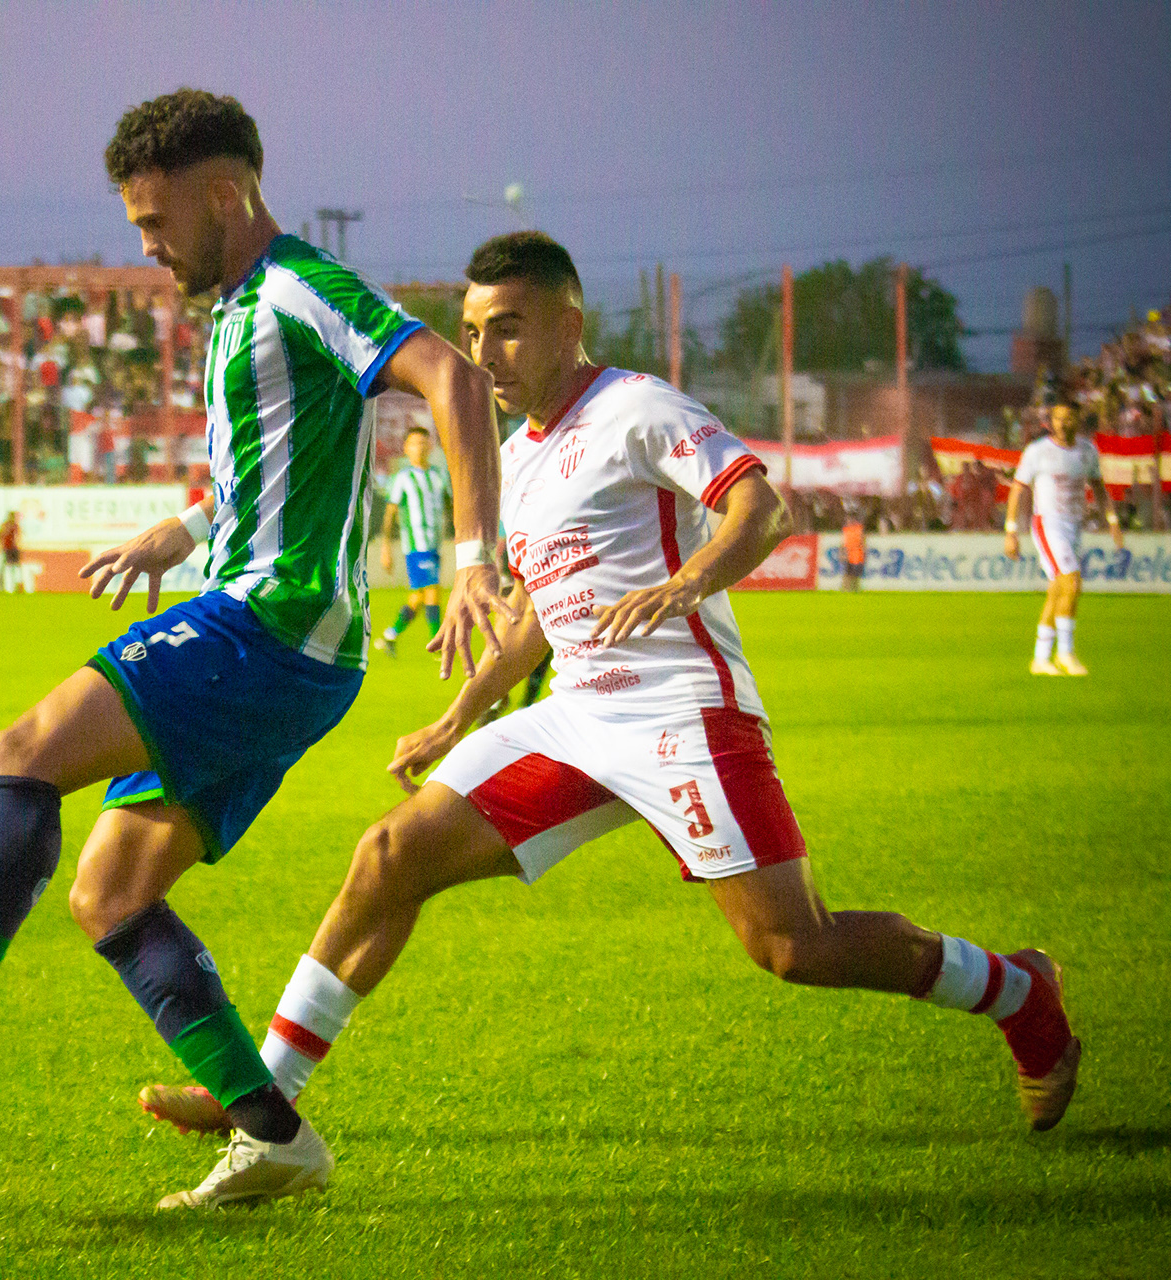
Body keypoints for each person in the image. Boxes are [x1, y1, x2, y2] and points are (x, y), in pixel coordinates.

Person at [139, 230, 1082, 1158]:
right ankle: (262, 1102)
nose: (485, 355)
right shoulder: (520, 456)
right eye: (472, 333)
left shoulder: (637, 407)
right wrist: (459, 714)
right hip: (579, 717)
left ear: (567, 323)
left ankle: (1018, 990)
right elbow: (543, 616)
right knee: (391, 854)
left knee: (796, 948)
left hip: (682, 710)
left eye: (507, 328)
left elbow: (761, 506)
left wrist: (687, 584)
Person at [0, 88, 510, 1211]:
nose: (147, 247)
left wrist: (473, 555)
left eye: (155, 222)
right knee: (110, 892)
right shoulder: (235, 312)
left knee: (19, 749)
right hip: (278, 636)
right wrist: (178, 528)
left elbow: (451, 378)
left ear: (224, 194)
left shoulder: (301, 288)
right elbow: (256, 478)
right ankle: (275, 1137)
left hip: (271, 626)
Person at [1006, 397, 1122, 676]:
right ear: (1050, 421)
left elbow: (1099, 486)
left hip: (1074, 526)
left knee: (1058, 590)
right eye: (1057, 417)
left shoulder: (1087, 451)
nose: (1062, 422)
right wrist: (1011, 531)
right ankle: (1066, 654)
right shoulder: (1038, 451)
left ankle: (1041, 658)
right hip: (1048, 523)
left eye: (1068, 417)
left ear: (1078, 420)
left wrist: (1113, 521)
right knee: (1072, 582)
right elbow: (1017, 489)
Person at [374, 426, 452, 656]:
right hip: (417, 546)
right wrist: (385, 548)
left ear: (430, 446)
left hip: (434, 545)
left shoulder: (439, 475)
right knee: (432, 592)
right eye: (415, 443)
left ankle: (390, 635)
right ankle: (437, 644)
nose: (420, 447)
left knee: (418, 598)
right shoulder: (402, 478)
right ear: (406, 448)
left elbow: (450, 506)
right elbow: (389, 514)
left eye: (423, 443)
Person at [0, 511, 25, 594]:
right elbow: (3, 536)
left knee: (12, 568)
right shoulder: (10, 525)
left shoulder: (9, 525)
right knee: (7, 568)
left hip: (10, 549)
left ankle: (15, 586)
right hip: (8, 549)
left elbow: (2, 536)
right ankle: (1, 586)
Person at [841, 505, 866, 591]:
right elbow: (843, 542)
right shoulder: (846, 529)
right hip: (849, 554)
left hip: (857, 554)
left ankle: (854, 589)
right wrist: (842, 552)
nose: (848, 520)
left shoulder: (859, 528)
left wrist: (864, 550)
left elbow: (862, 540)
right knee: (847, 573)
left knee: (855, 574)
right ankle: (846, 589)